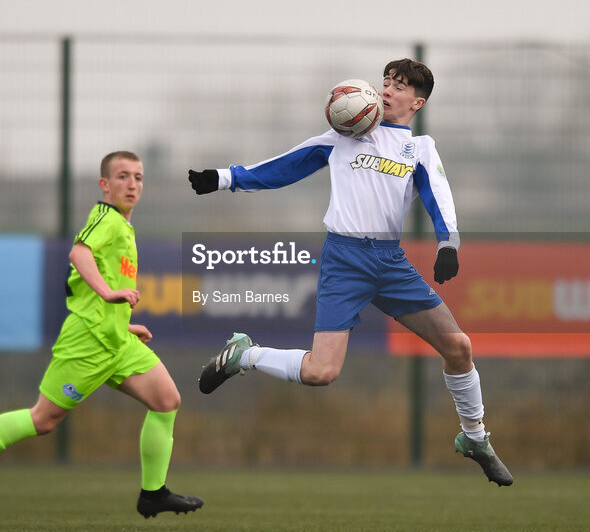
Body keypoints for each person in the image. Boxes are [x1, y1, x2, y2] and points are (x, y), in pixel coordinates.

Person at [187, 58, 513, 486]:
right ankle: (243, 354)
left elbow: (439, 196)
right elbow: (287, 165)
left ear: (418, 101)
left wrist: (448, 243)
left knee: (460, 349)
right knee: (322, 373)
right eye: (385, 82)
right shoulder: (345, 135)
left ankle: (475, 438)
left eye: (399, 86)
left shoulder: (419, 148)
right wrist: (225, 177)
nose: (388, 90)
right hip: (344, 260)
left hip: (390, 263)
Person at [0, 151, 205, 518]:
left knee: (167, 400)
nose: (132, 184)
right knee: (43, 420)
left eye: (137, 177)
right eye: (122, 176)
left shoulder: (123, 225)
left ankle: (153, 494)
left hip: (117, 340)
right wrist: (109, 295)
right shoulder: (106, 218)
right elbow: (79, 253)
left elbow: (98, 283)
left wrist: (121, 319)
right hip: (87, 342)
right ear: (105, 185)